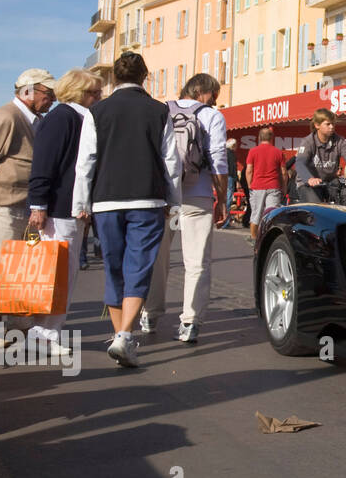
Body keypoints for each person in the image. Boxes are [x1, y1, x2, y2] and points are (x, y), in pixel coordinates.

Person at [72, 52, 181, 368]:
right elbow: (171, 162)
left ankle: (121, 335)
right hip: (147, 199)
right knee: (139, 266)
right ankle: (124, 337)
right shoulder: (159, 111)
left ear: (115, 78)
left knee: (114, 266)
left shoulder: (97, 111)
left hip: (106, 200)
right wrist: (173, 200)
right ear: (145, 76)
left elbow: (86, 161)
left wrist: (81, 203)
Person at [144, 73, 228, 344]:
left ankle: (151, 313)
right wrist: (222, 199)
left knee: (158, 257)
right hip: (198, 195)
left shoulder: (161, 110)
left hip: (164, 196)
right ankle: (190, 322)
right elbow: (218, 160)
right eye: (213, 93)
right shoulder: (212, 117)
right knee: (196, 261)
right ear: (201, 90)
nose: (215, 100)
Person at [24, 69, 103, 355]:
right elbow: (44, 164)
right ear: (79, 92)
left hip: (69, 208)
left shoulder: (77, 117)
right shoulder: (63, 118)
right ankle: (44, 332)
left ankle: (48, 330)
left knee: (63, 273)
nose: (99, 97)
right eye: (94, 92)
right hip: (59, 208)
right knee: (57, 274)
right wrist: (39, 205)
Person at [0, 68, 56, 351]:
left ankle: (5, 320)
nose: (52, 99)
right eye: (48, 94)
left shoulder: (31, 120)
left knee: (10, 270)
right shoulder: (7, 118)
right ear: (28, 91)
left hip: (14, 205)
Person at [296, 109, 346, 204]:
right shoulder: (308, 142)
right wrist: (309, 179)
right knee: (316, 207)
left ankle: (343, 219)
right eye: (328, 124)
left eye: (333, 124)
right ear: (317, 125)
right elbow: (300, 163)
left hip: (328, 183)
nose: (332, 127)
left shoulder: (339, 141)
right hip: (308, 183)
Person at [244, 127, 287, 243]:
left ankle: (253, 239)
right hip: (274, 186)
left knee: (256, 214)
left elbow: (249, 170)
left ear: (259, 138)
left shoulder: (253, 151)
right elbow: (283, 172)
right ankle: (268, 239)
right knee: (272, 213)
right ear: (272, 138)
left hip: (257, 186)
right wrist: (284, 187)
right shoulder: (278, 152)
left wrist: (249, 184)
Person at [219, 138, 240, 228]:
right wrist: (237, 181)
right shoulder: (231, 154)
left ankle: (221, 219)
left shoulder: (223, 153)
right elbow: (233, 168)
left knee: (223, 198)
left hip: (223, 177)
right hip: (230, 178)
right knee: (228, 199)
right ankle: (225, 222)